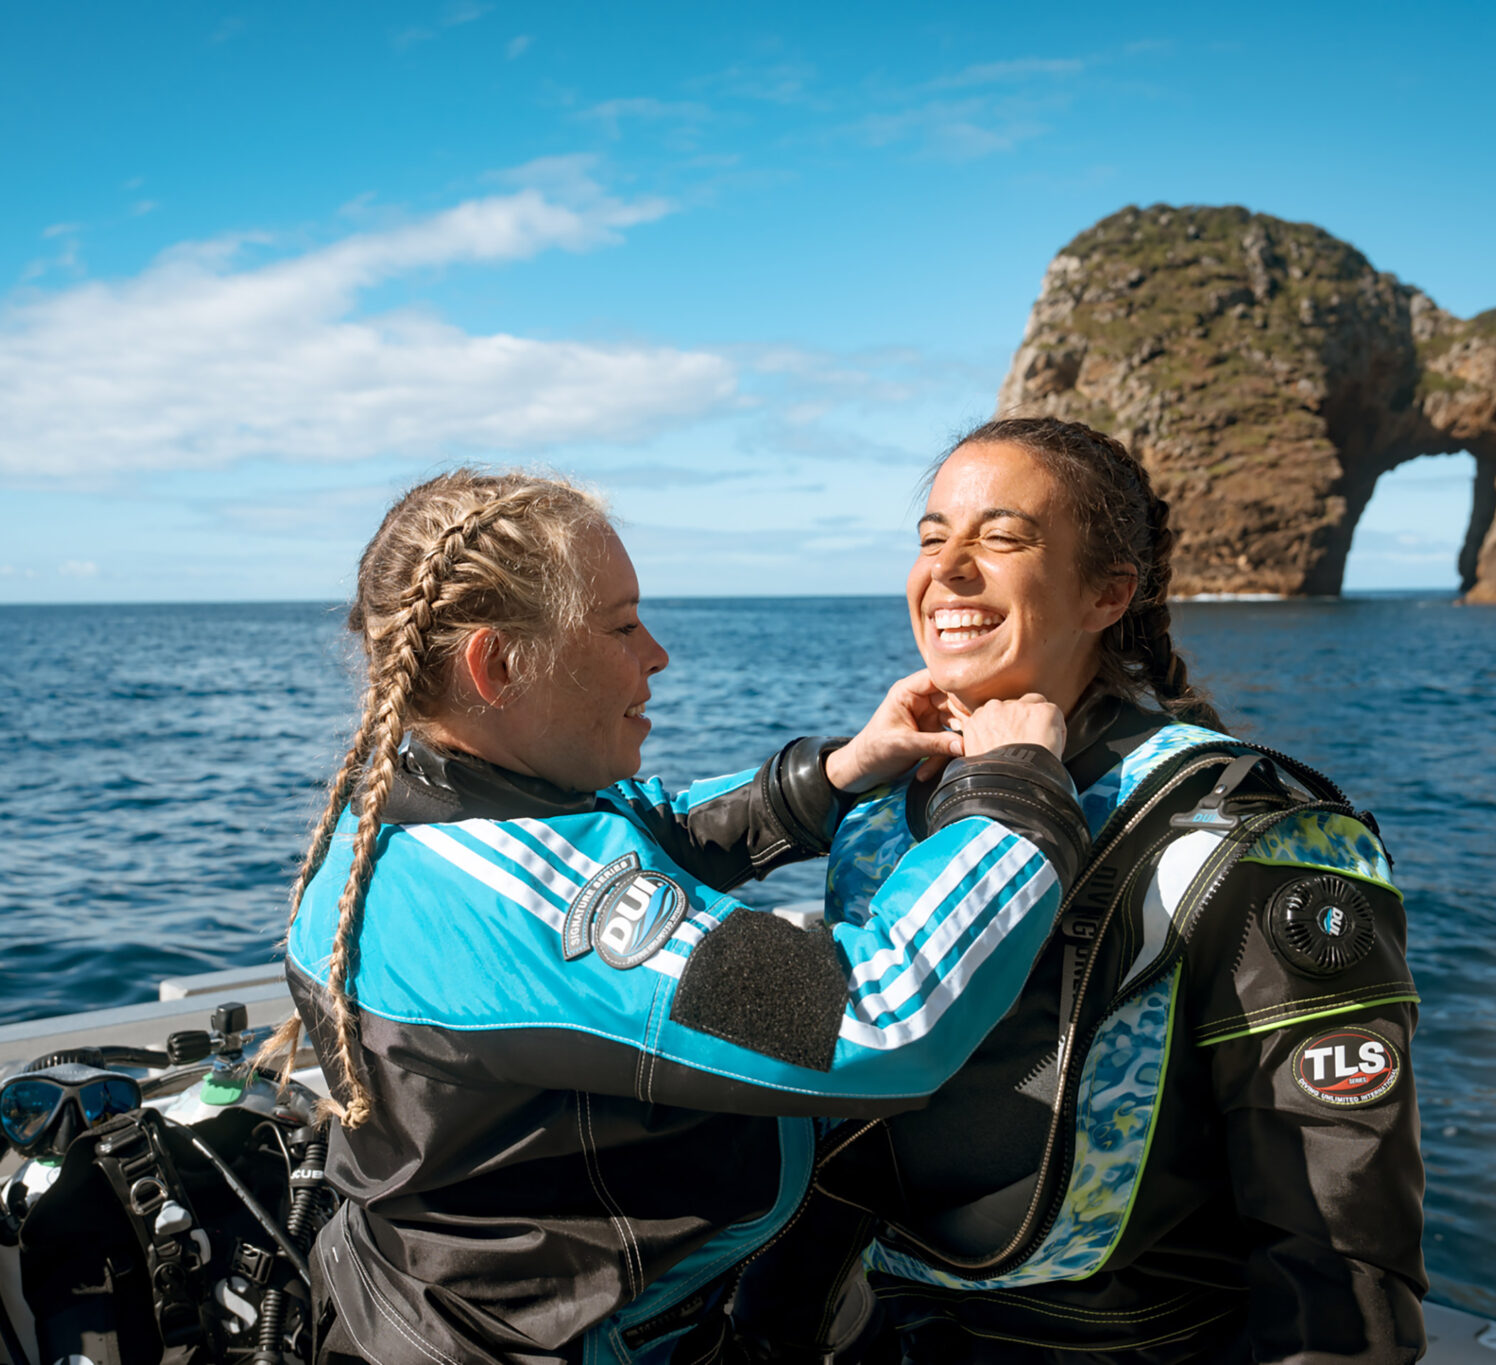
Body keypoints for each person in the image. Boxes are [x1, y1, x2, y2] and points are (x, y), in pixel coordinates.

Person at [259, 469, 1100, 1365]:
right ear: (498, 666)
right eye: (622, 626)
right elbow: (879, 1014)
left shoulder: (427, 808)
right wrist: (1013, 788)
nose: (657, 654)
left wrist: (844, 769)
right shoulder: (510, 900)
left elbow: (649, 827)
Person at [734, 417, 1425, 1364]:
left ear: (1108, 593)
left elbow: (1339, 1228)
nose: (950, 569)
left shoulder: (1247, 833)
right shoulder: (880, 799)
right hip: (885, 1323)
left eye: (1001, 537)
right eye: (933, 537)